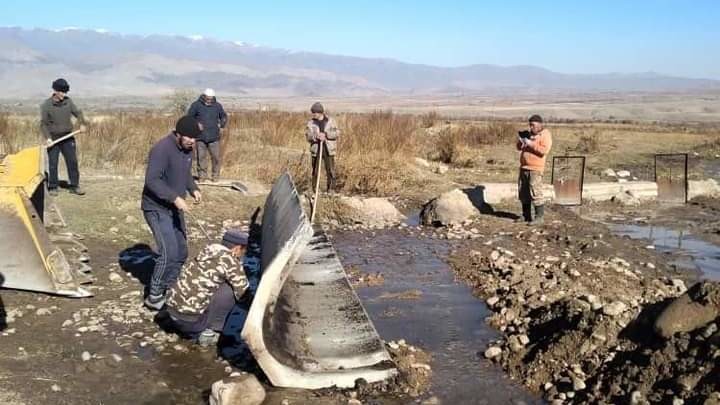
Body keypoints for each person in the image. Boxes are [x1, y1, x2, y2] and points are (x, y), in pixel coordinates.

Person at [141, 115, 202, 310]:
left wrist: (193, 189)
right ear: (179, 134)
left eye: (195, 138)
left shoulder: (188, 149)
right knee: (168, 252)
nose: (192, 141)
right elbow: (152, 180)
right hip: (156, 207)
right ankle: (154, 296)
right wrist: (175, 197)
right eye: (189, 137)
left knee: (182, 251)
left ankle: (169, 286)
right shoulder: (162, 149)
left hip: (175, 207)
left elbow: (185, 173)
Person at [164, 230, 249, 346]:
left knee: (208, 282)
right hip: (190, 323)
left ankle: (177, 323)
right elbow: (244, 294)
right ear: (237, 248)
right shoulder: (231, 262)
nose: (243, 254)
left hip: (171, 312)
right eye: (244, 250)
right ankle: (209, 332)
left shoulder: (207, 250)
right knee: (229, 289)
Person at [40, 78, 87, 196]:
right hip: (53, 138)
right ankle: (53, 186)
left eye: (65, 92)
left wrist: (82, 123)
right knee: (53, 163)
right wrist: (48, 138)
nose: (64, 94)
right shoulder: (46, 105)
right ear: (55, 91)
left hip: (68, 137)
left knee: (72, 161)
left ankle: (74, 186)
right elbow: (43, 124)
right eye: (62, 92)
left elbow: (78, 113)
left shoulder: (68, 102)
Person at [516, 114, 553, 225]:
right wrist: (521, 142)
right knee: (523, 192)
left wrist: (530, 143)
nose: (531, 127)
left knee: (535, 192)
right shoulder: (529, 134)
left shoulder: (545, 135)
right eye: (530, 125)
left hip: (536, 169)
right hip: (524, 167)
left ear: (540, 124)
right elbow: (518, 148)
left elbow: (544, 150)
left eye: (533, 125)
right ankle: (526, 215)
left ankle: (539, 217)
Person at [187, 88, 228, 182]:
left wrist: (222, 124)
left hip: (214, 137)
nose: (209, 100)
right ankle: (202, 176)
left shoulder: (217, 106)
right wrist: (196, 124)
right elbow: (189, 117)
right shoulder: (196, 105)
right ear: (204, 96)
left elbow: (224, 116)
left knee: (216, 157)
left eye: (211, 98)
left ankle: (215, 176)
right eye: (208, 98)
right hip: (200, 137)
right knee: (201, 158)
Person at [305, 102, 339, 193]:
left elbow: (337, 133)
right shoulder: (311, 123)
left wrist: (326, 135)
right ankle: (315, 190)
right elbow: (308, 136)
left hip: (328, 149)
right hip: (316, 150)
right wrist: (316, 136)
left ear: (320, 112)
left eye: (315, 112)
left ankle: (331, 189)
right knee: (315, 171)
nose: (313, 114)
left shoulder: (331, 121)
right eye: (313, 112)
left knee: (330, 170)